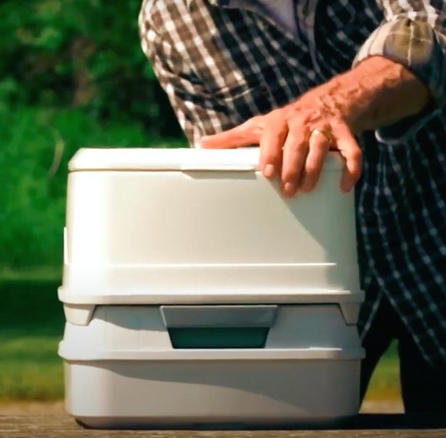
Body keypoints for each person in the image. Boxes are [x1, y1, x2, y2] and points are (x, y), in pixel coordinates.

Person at [138, 0, 446, 412]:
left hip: (434, 224)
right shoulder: (168, 19)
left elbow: (432, 32)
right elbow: (236, 182)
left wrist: (333, 105)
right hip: (316, 284)